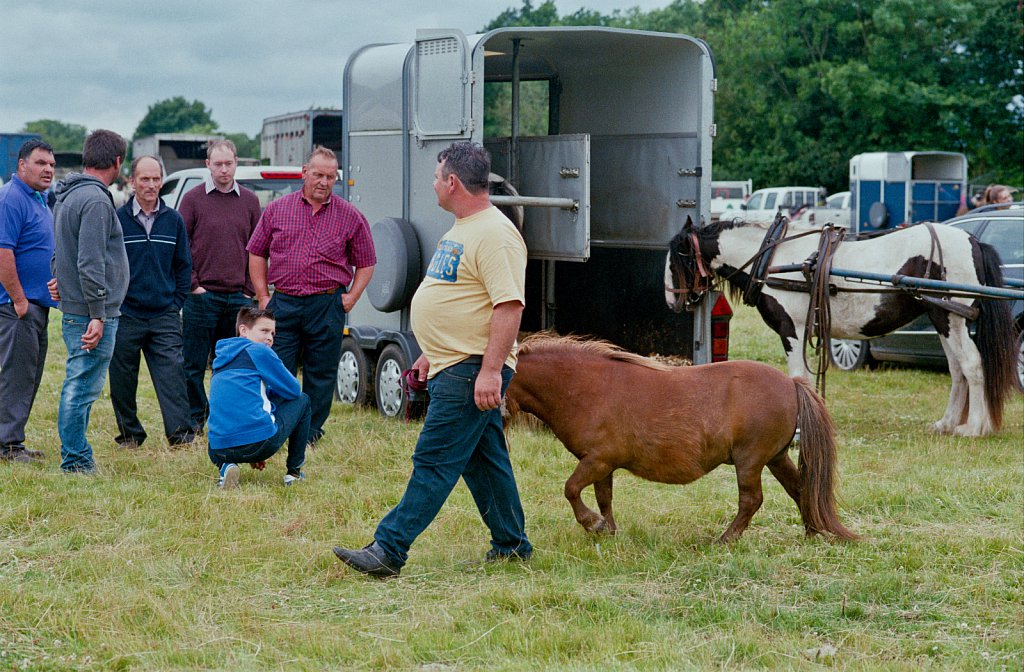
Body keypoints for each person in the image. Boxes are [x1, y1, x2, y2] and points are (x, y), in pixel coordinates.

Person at [332, 142, 532, 578]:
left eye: (437, 177)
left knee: (434, 460)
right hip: (453, 362)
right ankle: (512, 545)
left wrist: (491, 371)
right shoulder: (463, 227)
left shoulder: (495, 235)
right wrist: (430, 353)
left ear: (453, 182)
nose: (434, 184)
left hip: (471, 368)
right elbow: (459, 297)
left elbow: (508, 306)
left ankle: (388, 549)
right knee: (484, 461)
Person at [247, 146, 375, 444]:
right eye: (318, 175)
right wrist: (263, 297)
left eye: (330, 177)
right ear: (304, 172)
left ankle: (310, 432)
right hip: (284, 303)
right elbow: (256, 252)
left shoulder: (350, 216)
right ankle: (279, 426)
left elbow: (367, 262)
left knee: (322, 372)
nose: (324, 182)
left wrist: (352, 297)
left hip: (327, 304)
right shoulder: (277, 209)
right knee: (278, 367)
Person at [51, 129, 130, 474]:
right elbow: (90, 261)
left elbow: (60, 250)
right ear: (117, 160)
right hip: (90, 312)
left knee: (80, 383)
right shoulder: (96, 200)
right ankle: (76, 460)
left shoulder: (68, 195)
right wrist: (98, 314)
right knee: (81, 386)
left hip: (77, 307)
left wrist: (59, 278)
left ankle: (76, 455)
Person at [108, 156, 195, 449]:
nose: (151, 185)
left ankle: (181, 436)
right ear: (132, 181)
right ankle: (130, 435)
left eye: (156, 179)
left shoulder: (174, 221)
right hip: (126, 314)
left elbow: (183, 266)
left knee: (173, 375)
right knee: (122, 379)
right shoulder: (118, 220)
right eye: (144, 179)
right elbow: (108, 264)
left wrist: (175, 303)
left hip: (164, 315)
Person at [178, 139, 260, 432]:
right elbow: (181, 245)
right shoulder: (193, 200)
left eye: (228, 163)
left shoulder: (250, 201)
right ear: (208, 165)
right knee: (193, 364)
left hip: (238, 298)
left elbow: (258, 247)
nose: (223, 169)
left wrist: (249, 288)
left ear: (236, 163)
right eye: (218, 164)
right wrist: (193, 284)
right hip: (202, 296)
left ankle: (226, 419)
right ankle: (196, 419)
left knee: (231, 365)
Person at [206, 306, 310, 489]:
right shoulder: (259, 351)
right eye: (264, 330)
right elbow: (293, 390)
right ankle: (294, 474)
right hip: (259, 444)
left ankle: (226, 466)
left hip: (218, 449)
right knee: (303, 400)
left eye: (273, 333)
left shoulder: (220, 359)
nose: (270, 337)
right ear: (243, 330)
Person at [0, 139, 57, 463]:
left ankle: (12, 441)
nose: (48, 169)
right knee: (17, 377)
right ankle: (7, 446)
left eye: (51, 164)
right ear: (22, 165)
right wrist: (19, 300)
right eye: (40, 163)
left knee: (29, 376)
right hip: (17, 308)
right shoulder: (11, 198)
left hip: (36, 306)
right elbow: (2, 252)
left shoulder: (38, 198)